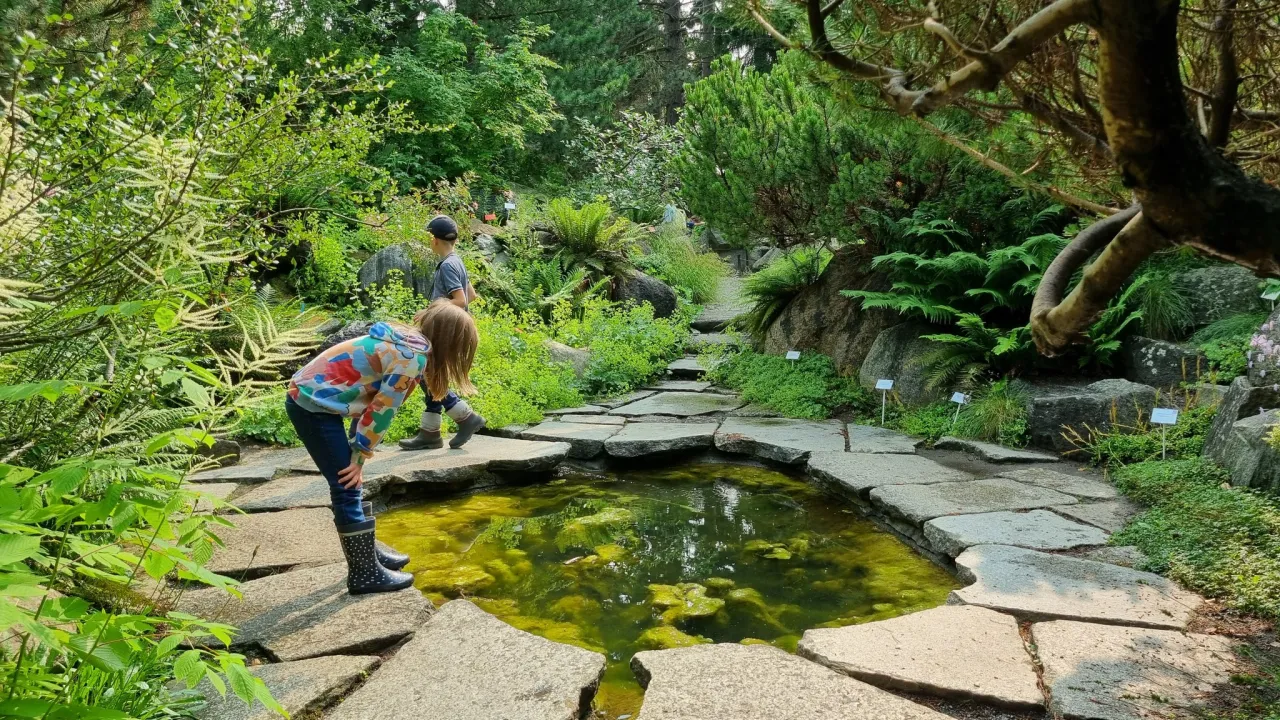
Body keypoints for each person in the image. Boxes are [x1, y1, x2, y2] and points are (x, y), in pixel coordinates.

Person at [286, 301, 479, 594]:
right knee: (346, 484)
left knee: (350, 479)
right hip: (313, 405)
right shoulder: (412, 357)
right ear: (450, 342)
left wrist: (356, 448)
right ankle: (364, 574)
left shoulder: (406, 339)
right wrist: (359, 456)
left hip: (317, 399)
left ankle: (368, 553)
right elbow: (381, 409)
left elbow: (367, 398)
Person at [399, 215, 487, 450]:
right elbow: (472, 296)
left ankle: (466, 417)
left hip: (443, 329)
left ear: (434, 239)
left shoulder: (447, 265)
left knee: (426, 374)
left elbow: (459, 300)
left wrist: (429, 311)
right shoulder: (457, 261)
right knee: (432, 374)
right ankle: (430, 433)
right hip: (452, 328)